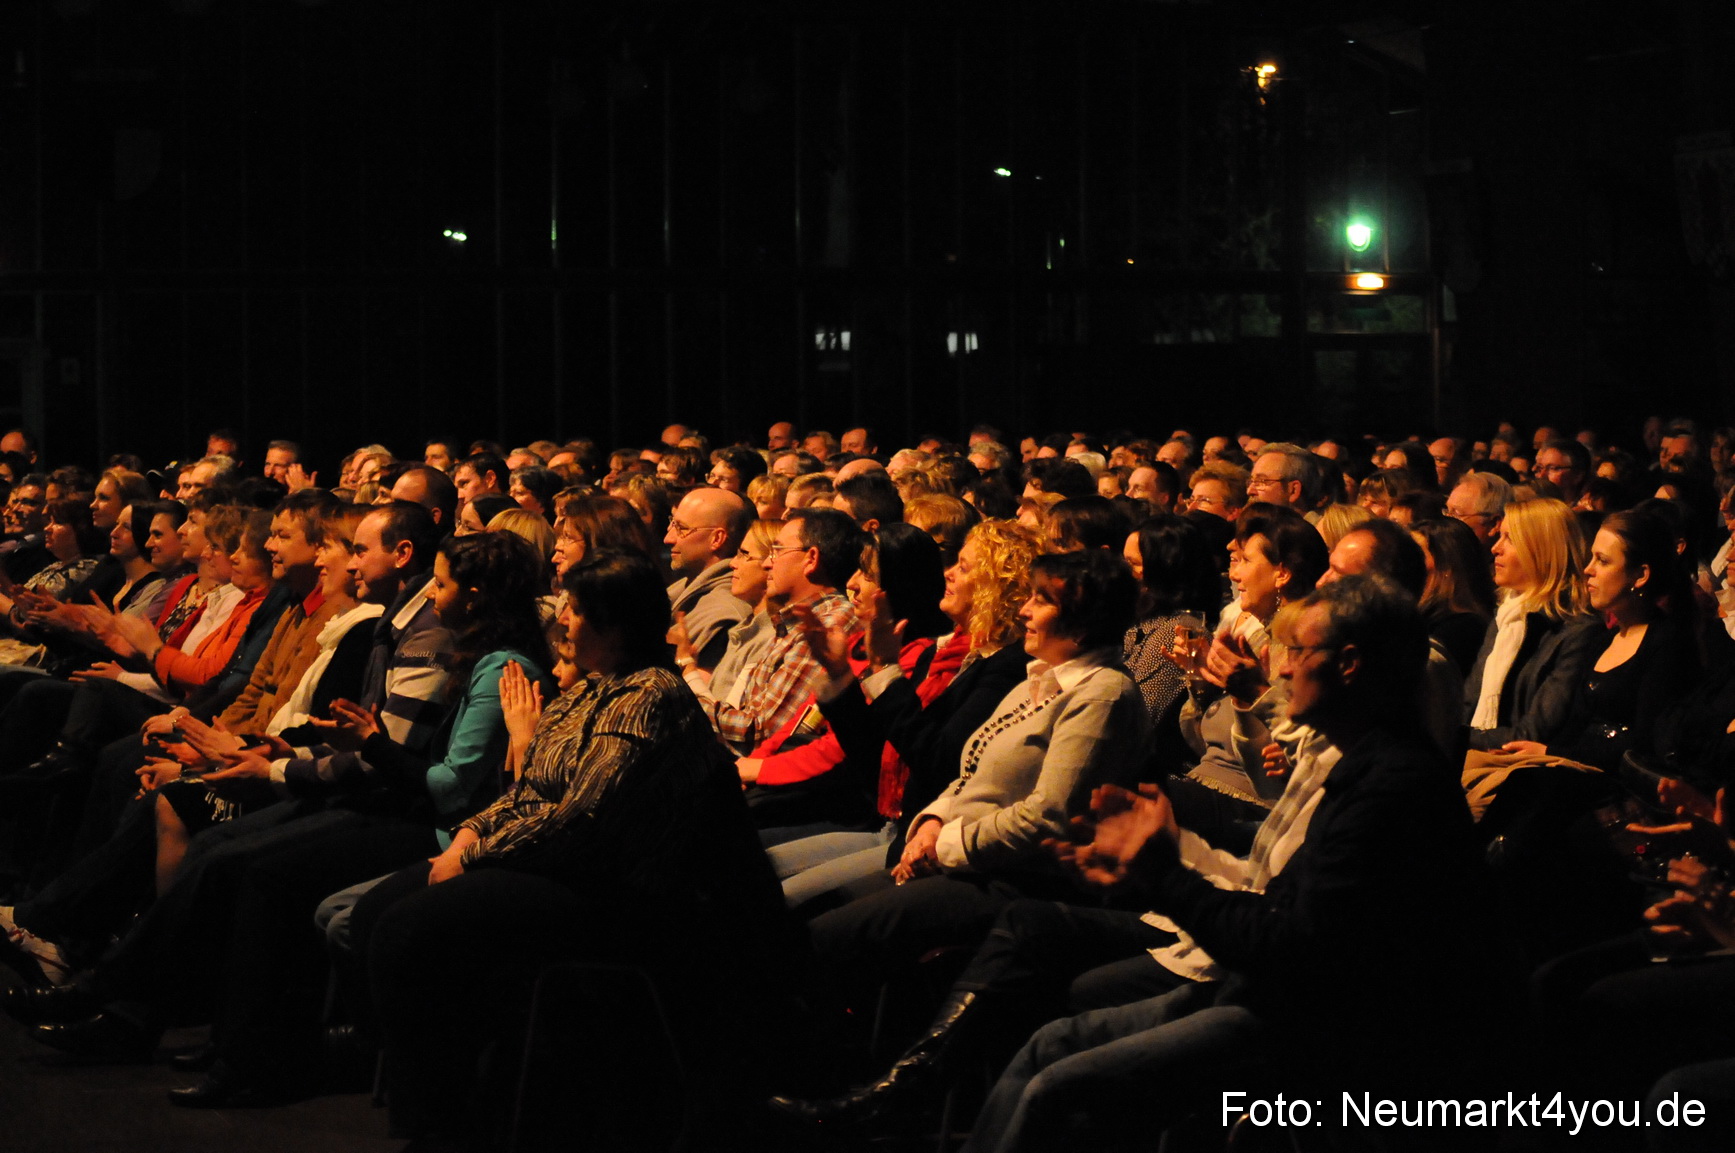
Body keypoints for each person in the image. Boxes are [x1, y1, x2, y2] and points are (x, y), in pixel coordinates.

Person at [958, 575, 1491, 1152]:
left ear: (1351, 664)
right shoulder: (1361, 764)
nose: (1281, 670)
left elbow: (1289, 948)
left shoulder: (1393, 787)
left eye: (1298, 653)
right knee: (1050, 1044)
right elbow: (1280, 907)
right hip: (1282, 996)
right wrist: (1168, 858)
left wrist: (1163, 872)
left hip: (1327, 1034)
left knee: (1058, 1087)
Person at [346, 551, 791, 1147]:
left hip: (618, 892)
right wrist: (476, 832)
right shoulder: (589, 691)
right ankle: (450, 1105)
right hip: (556, 866)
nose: (564, 623)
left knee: (412, 929)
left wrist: (473, 855)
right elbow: (530, 790)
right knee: (380, 910)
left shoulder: (649, 695)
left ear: (612, 624)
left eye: (577, 612)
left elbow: (584, 817)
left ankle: (443, 1128)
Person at [803, 549, 1147, 999]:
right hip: (957, 858)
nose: (1024, 609)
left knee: (823, 939)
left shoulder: (1103, 694)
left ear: (1082, 623)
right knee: (810, 919)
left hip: (1014, 879)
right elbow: (969, 771)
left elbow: (1049, 816)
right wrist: (931, 821)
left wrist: (944, 845)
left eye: (1041, 600)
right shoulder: (1037, 679)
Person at [1494, 504, 1701, 771]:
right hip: (1569, 772)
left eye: (1602, 561)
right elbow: (1573, 727)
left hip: (1612, 791)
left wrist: (1549, 752)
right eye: (1591, 558)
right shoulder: (1604, 640)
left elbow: (1644, 747)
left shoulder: (1667, 645)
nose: (1588, 570)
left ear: (1640, 575)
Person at [1464, 498, 1603, 750]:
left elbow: (1532, 733)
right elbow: (1467, 705)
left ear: (1543, 550)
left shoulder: (1577, 630)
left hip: (1514, 768)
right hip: (1478, 752)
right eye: (1499, 537)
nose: (1496, 548)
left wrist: (1452, 738)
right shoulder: (1507, 614)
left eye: (1510, 539)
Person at [663, 487, 753, 672]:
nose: (668, 538)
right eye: (672, 523)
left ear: (717, 539)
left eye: (681, 528)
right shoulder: (679, 589)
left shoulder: (726, 614)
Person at [1410, 517, 1496, 676]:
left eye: (1415, 554)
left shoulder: (1461, 630)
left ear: (1447, 565)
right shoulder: (1415, 615)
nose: (1405, 561)